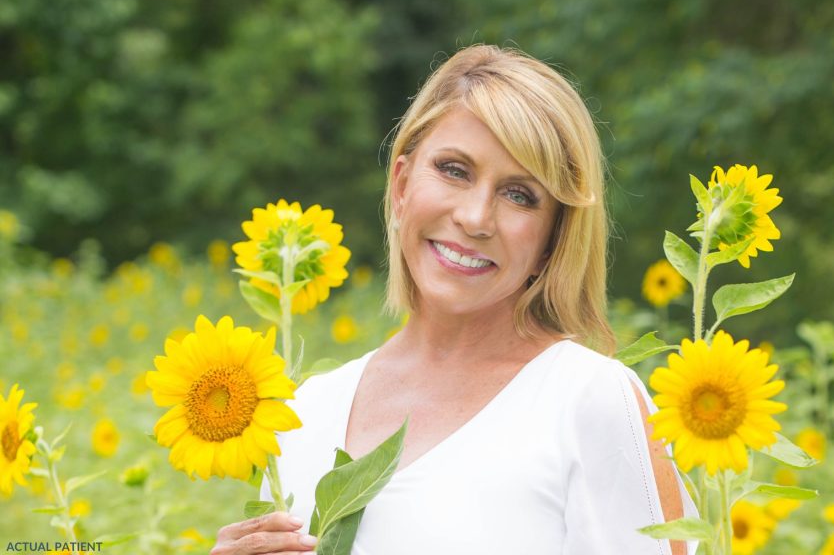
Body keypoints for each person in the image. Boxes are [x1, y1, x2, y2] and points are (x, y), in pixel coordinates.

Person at [211, 44, 698, 555]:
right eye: (454, 170)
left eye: (519, 195)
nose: (475, 218)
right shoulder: (303, 412)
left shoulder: (588, 400)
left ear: (553, 240)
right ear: (401, 187)